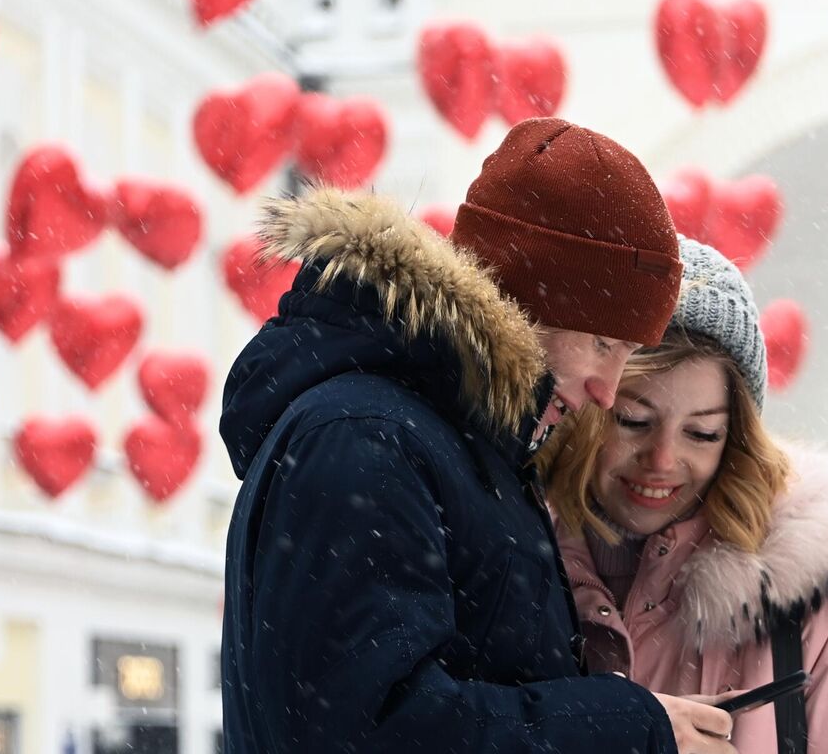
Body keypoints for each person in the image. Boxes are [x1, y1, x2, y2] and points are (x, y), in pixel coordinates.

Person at [218, 117, 737, 753]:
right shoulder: (365, 440)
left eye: (627, 353)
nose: (608, 388)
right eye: (603, 343)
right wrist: (627, 727)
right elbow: (369, 734)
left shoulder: (449, 446)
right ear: (523, 303)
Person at [538, 237, 828, 754]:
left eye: (702, 434)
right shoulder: (508, 571)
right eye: (633, 421)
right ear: (588, 408)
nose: (662, 460)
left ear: (736, 440)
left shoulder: (808, 609)